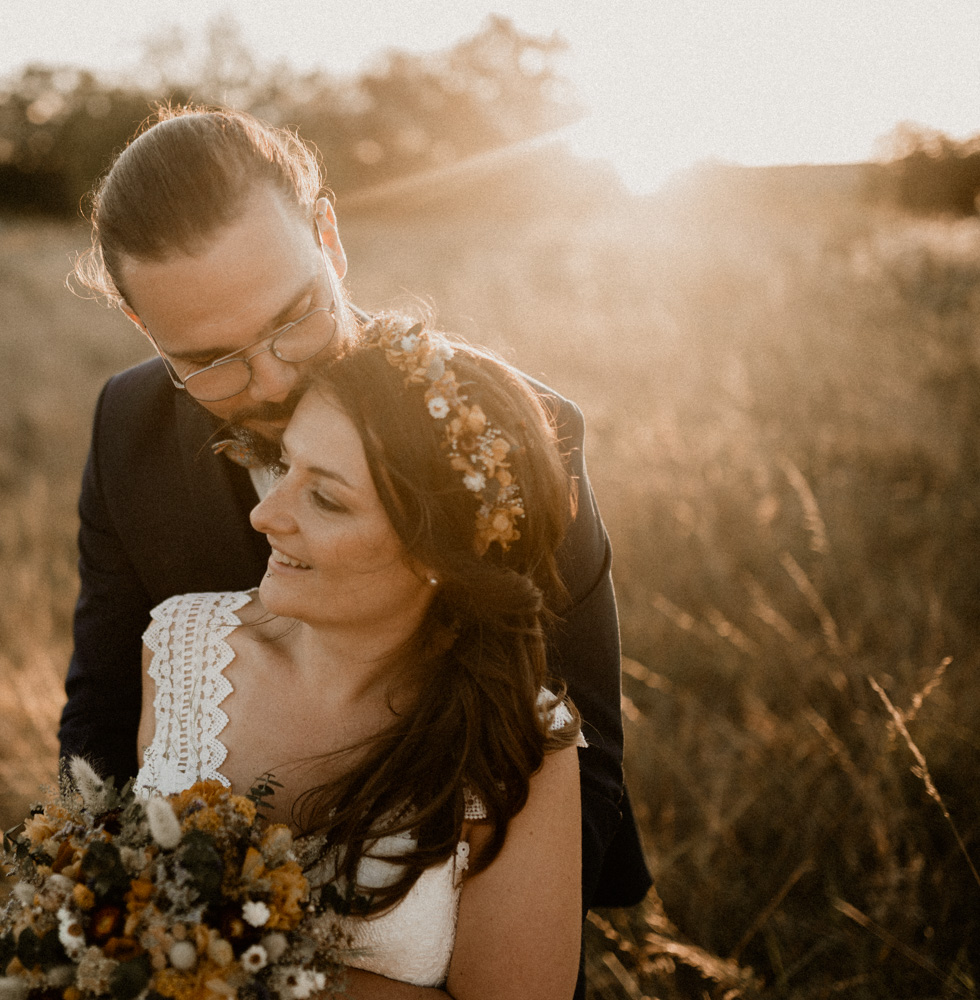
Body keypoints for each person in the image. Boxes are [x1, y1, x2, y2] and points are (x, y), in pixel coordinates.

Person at [59, 106, 651, 991]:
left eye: (294, 318)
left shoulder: (514, 435)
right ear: (147, 327)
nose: (276, 379)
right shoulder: (126, 429)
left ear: (329, 238)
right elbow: (101, 716)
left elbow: (583, 742)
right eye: (213, 360)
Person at [136, 320, 587, 998]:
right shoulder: (178, 646)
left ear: (436, 554)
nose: (266, 516)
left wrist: (225, 968)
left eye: (325, 497)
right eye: (285, 466)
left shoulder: (521, 743)